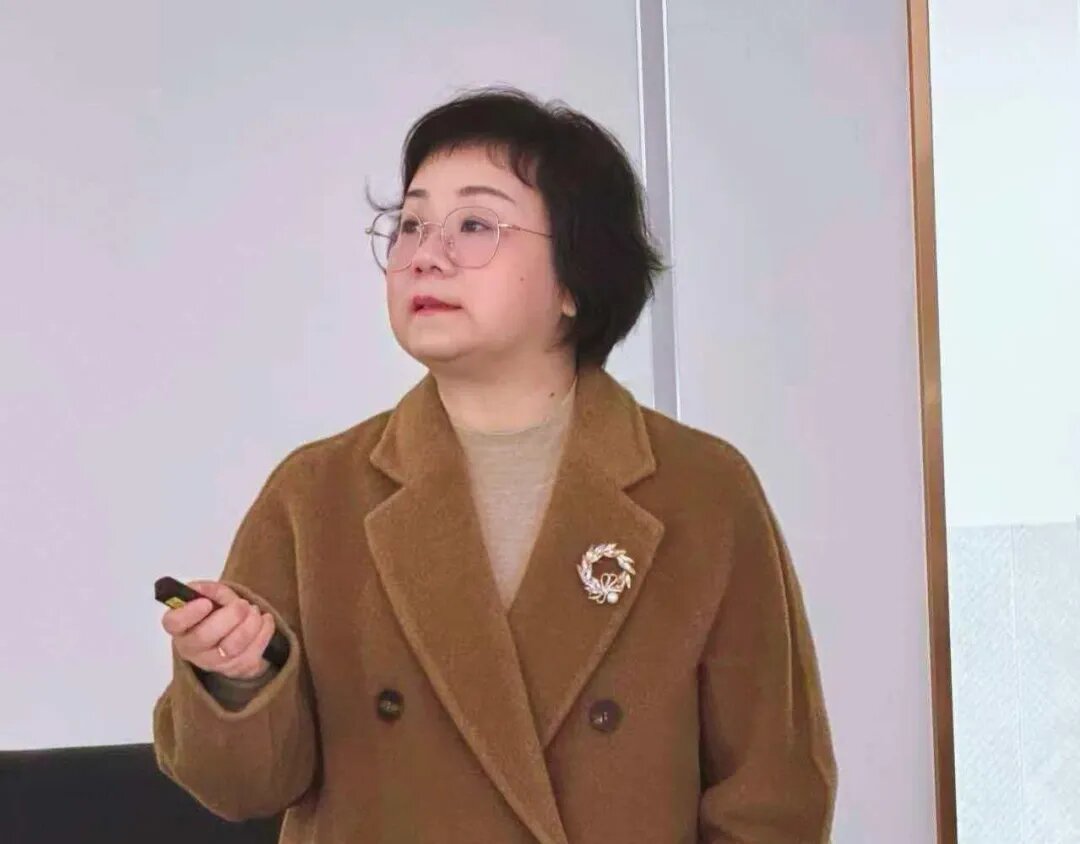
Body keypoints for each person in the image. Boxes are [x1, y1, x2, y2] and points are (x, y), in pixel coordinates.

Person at [153, 87, 837, 843]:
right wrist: (238, 675)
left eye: (475, 224)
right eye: (410, 225)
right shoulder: (317, 493)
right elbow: (242, 789)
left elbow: (772, 795)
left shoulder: (700, 489)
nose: (425, 255)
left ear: (575, 277)